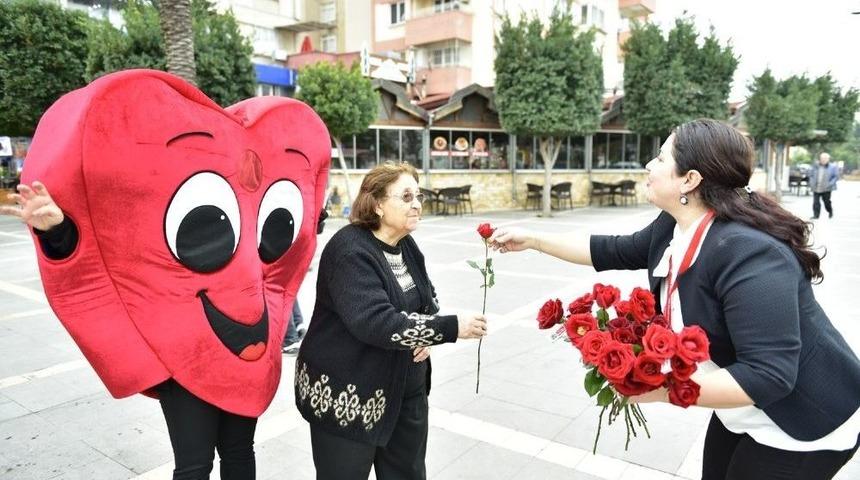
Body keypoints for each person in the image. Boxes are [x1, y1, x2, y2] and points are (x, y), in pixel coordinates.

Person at [490, 119, 860, 480]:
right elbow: (612, 250)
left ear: (690, 179)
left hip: (805, 418)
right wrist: (534, 240)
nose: (649, 165)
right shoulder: (674, 226)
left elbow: (770, 375)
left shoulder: (750, 255)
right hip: (741, 410)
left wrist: (661, 390)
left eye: (661, 158)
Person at [294, 161, 487, 480]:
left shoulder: (405, 245)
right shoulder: (349, 250)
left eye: (419, 196)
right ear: (379, 204)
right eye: (407, 196)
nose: (417, 204)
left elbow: (425, 298)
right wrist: (449, 328)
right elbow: (375, 322)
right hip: (350, 396)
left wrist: (425, 331)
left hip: (404, 392)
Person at [808, 152, 839, 219]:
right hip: (816, 187)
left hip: (827, 188)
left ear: (828, 159)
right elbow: (811, 174)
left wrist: (830, 183)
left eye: (825, 158)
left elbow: (836, 177)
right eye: (822, 158)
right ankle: (816, 215)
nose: (823, 160)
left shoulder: (833, 167)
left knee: (826, 202)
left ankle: (830, 211)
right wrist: (811, 182)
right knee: (816, 202)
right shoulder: (815, 166)